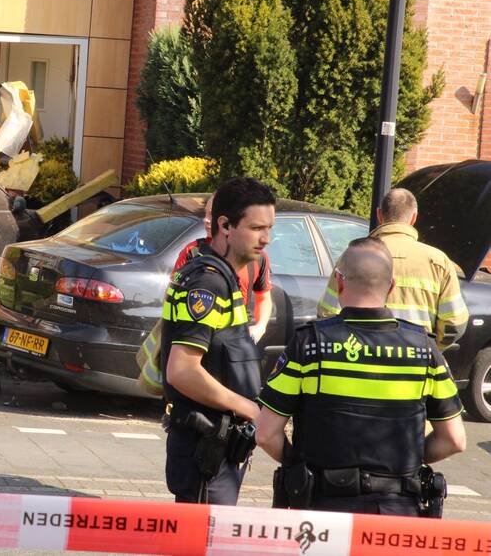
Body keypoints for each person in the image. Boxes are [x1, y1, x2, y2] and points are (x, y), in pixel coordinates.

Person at [257, 237, 467, 516]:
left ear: (339, 282)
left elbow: (266, 434)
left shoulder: (310, 344)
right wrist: (405, 461)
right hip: (397, 514)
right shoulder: (423, 350)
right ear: (391, 287)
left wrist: (300, 465)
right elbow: (454, 439)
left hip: (323, 512)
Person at [160, 177, 275, 505]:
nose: (265, 239)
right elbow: (181, 370)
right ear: (224, 225)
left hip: (218, 446)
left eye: (269, 228)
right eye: (256, 228)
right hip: (204, 447)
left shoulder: (224, 277)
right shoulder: (208, 283)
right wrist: (249, 409)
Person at [317, 188, 468, 350]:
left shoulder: (354, 256)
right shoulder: (438, 262)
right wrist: (430, 348)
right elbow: (454, 323)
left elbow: (327, 313)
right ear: (414, 217)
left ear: (379, 215)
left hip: (362, 360)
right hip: (416, 362)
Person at [173, 194, 273, 343]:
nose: (206, 220)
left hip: (234, 343)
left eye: (212, 214)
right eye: (206, 213)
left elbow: (264, 297)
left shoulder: (257, 257)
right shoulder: (192, 252)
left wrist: (260, 327)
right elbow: (171, 299)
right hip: (196, 339)